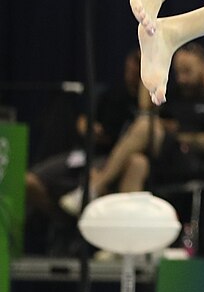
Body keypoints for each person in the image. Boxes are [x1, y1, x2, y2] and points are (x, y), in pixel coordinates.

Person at [58, 42, 204, 212]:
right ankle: (126, 239)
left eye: (187, 71)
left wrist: (175, 134)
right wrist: (151, 64)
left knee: (146, 126)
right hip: (164, 160)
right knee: (137, 163)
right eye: (178, 72)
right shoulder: (174, 92)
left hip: (196, 161)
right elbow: (145, 109)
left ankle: (95, 185)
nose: (182, 78)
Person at [25, 48, 144, 232]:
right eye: (131, 66)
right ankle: (63, 220)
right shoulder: (110, 95)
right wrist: (89, 127)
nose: (133, 72)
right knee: (29, 181)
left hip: (109, 161)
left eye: (138, 67)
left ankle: (88, 207)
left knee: (100, 184)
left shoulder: (151, 101)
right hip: (83, 155)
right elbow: (83, 121)